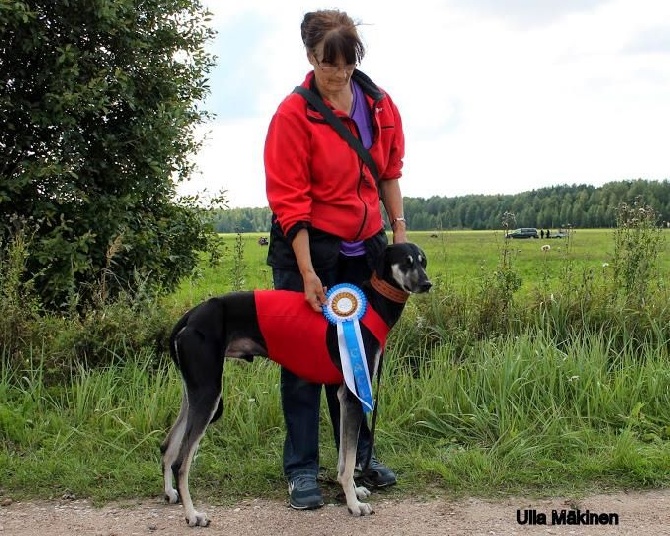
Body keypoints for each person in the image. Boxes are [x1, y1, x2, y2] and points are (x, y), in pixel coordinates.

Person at [263, 9, 407, 510]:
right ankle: (302, 470)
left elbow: (389, 170)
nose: (339, 74)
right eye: (329, 65)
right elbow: (289, 202)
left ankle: (359, 461)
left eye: (347, 65)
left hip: (364, 247)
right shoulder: (292, 114)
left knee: (360, 360)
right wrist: (304, 272)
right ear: (309, 57)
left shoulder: (379, 103)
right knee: (304, 360)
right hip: (309, 249)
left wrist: (397, 230)